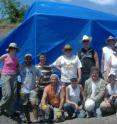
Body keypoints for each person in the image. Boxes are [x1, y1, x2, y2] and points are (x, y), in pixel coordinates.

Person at [20, 54, 43, 123]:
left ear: (31, 59)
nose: (28, 60)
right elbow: (14, 74)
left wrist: (37, 84)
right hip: (23, 90)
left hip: (33, 90)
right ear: (24, 59)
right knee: (25, 106)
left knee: (34, 105)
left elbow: (41, 75)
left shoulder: (35, 68)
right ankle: (28, 120)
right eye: (26, 58)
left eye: (29, 58)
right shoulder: (21, 68)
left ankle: (36, 120)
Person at [0, 42, 19, 116]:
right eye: (12, 48)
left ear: (16, 49)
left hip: (14, 76)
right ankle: (1, 107)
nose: (13, 49)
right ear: (9, 49)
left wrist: (19, 72)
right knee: (7, 94)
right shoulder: (5, 56)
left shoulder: (16, 58)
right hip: (5, 76)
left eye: (14, 48)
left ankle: (10, 111)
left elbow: (17, 67)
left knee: (14, 95)